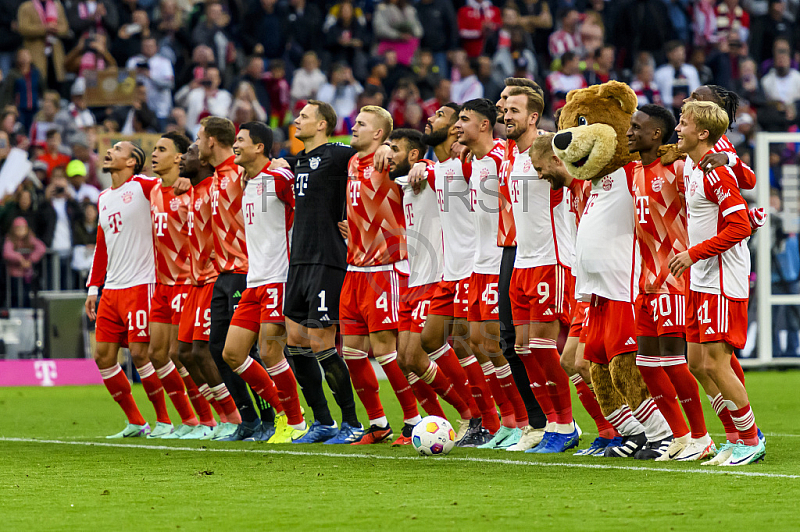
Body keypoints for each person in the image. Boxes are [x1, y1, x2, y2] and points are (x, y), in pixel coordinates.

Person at [669, 100, 764, 466]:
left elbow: (739, 227)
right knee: (696, 363)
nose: (678, 128)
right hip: (702, 278)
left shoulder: (715, 172)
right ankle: (733, 436)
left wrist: (694, 253)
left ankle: (750, 439)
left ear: (702, 133)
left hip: (722, 278)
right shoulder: (694, 166)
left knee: (717, 364)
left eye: (683, 122)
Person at [626, 104, 714, 461]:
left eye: (637, 127)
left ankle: (701, 436)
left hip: (674, 277)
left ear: (656, 134)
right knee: (646, 364)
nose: (630, 132)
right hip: (646, 278)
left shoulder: (677, 167)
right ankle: (679, 435)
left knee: (674, 361)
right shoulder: (634, 169)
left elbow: (711, 183)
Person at [408, 103, 497, 447]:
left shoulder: (468, 163)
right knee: (433, 341)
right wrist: (412, 161)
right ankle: (475, 416)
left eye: (445, 117)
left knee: (475, 344)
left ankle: (493, 420)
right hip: (449, 269)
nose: (431, 118)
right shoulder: (437, 168)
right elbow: (408, 166)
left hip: (473, 267)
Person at [529, 133, 621, 457]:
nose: (539, 176)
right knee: (572, 360)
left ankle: (628, 432)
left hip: (605, 285)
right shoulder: (571, 190)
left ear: (557, 160)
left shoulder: (588, 185)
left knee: (593, 362)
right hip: (585, 286)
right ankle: (610, 432)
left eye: (541, 168)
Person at [501, 88, 578, 453]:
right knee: (523, 349)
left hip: (552, 260)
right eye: (504, 108)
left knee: (545, 348)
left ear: (533, 117)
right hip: (522, 262)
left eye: (514, 109)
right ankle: (549, 423)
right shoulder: (510, 158)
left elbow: (577, 179)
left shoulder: (552, 148)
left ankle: (566, 425)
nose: (506, 114)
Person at [220, 122, 308, 443]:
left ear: (259, 147)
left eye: (241, 140)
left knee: (270, 352)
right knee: (232, 354)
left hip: (278, 277)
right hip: (254, 280)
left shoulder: (279, 177)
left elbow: (306, 204)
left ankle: (295, 423)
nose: (235, 145)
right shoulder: (249, 181)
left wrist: (290, 164)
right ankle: (285, 413)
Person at [338, 105, 420, 445]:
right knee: (352, 353)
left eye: (361, 124)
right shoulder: (352, 163)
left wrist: (390, 150)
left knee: (385, 350)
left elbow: (414, 166)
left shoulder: (389, 161)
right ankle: (378, 423)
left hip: (384, 269)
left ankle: (413, 421)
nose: (353, 127)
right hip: (353, 268)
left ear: (378, 134)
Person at [452, 98, 529, 449]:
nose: (457, 126)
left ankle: (524, 422)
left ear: (484, 125)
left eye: (464, 120)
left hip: (500, 260)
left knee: (498, 346)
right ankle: (507, 421)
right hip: (477, 265)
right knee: (479, 344)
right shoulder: (477, 162)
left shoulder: (502, 157)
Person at [389, 127, 474, 430]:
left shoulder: (433, 175)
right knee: (404, 359)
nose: (388, 156)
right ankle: (440, 422)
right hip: (413, 279)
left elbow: (446, 171)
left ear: (414, 155)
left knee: (417, 353)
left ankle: (470, 414)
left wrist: (425, 165)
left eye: (394, 150)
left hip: (436, 275)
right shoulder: (403, 182)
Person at [197, 116, 271, 441]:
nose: (197, 144)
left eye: (200, 138)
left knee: (245, 352)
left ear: (211, 140)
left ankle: (272, 417)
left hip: (245, 271)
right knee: (217, 349)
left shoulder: (241, 173)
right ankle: (249, 420)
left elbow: (270, 170)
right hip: (223, 275)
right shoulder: (215, 179)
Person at [85, 141, 161, 438]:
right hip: (112, 289)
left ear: (131, 161)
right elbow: (101, 248)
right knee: (103, 356)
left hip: (141, 284)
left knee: (142, 355)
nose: (109, 151)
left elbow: (168, 183)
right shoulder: (103, 197)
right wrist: (94, 287)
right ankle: (136, 421)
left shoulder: (143, 186)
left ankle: (165, 422)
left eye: (117, 149)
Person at [175, 142, 238, 440]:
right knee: (184, 352)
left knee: (204, 351)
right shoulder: (193, 191)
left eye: (188, 153)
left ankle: (232, 416)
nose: (183, 158)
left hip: (214, 278)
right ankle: (214, 417)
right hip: (195, 281)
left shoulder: (216, 187)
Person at [144, 132, 205, 439]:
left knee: (180, 353)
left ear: (179, 158)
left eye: (161, 149)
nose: (154, 154)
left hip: (185, 282)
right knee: (156, 353)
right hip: (161, 284)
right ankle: (188, 421)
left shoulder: (190, 190)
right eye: (154, 148)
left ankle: (210, 419)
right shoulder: (153, 189)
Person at [3, 217, 46, 307]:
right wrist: (20, 259)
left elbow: (41, 248)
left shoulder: (30, 239)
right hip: (14, 274)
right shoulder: (10, 239)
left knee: (27, 296)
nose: (20, 231)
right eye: (18, 229)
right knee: (16, 296)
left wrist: (30, 259)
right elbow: (7, 252)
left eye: (23, 228)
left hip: (27, 274)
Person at [654, 41, 701, 118]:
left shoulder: (691, 70)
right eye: (677, 52)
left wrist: (687, 100)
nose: (680, 55)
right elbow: (656, 95)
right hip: (668, 112)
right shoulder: (660, 73)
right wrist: (672, 101)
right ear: (669, 54)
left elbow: (697, 91)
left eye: (682, 52)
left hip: (689, 112)